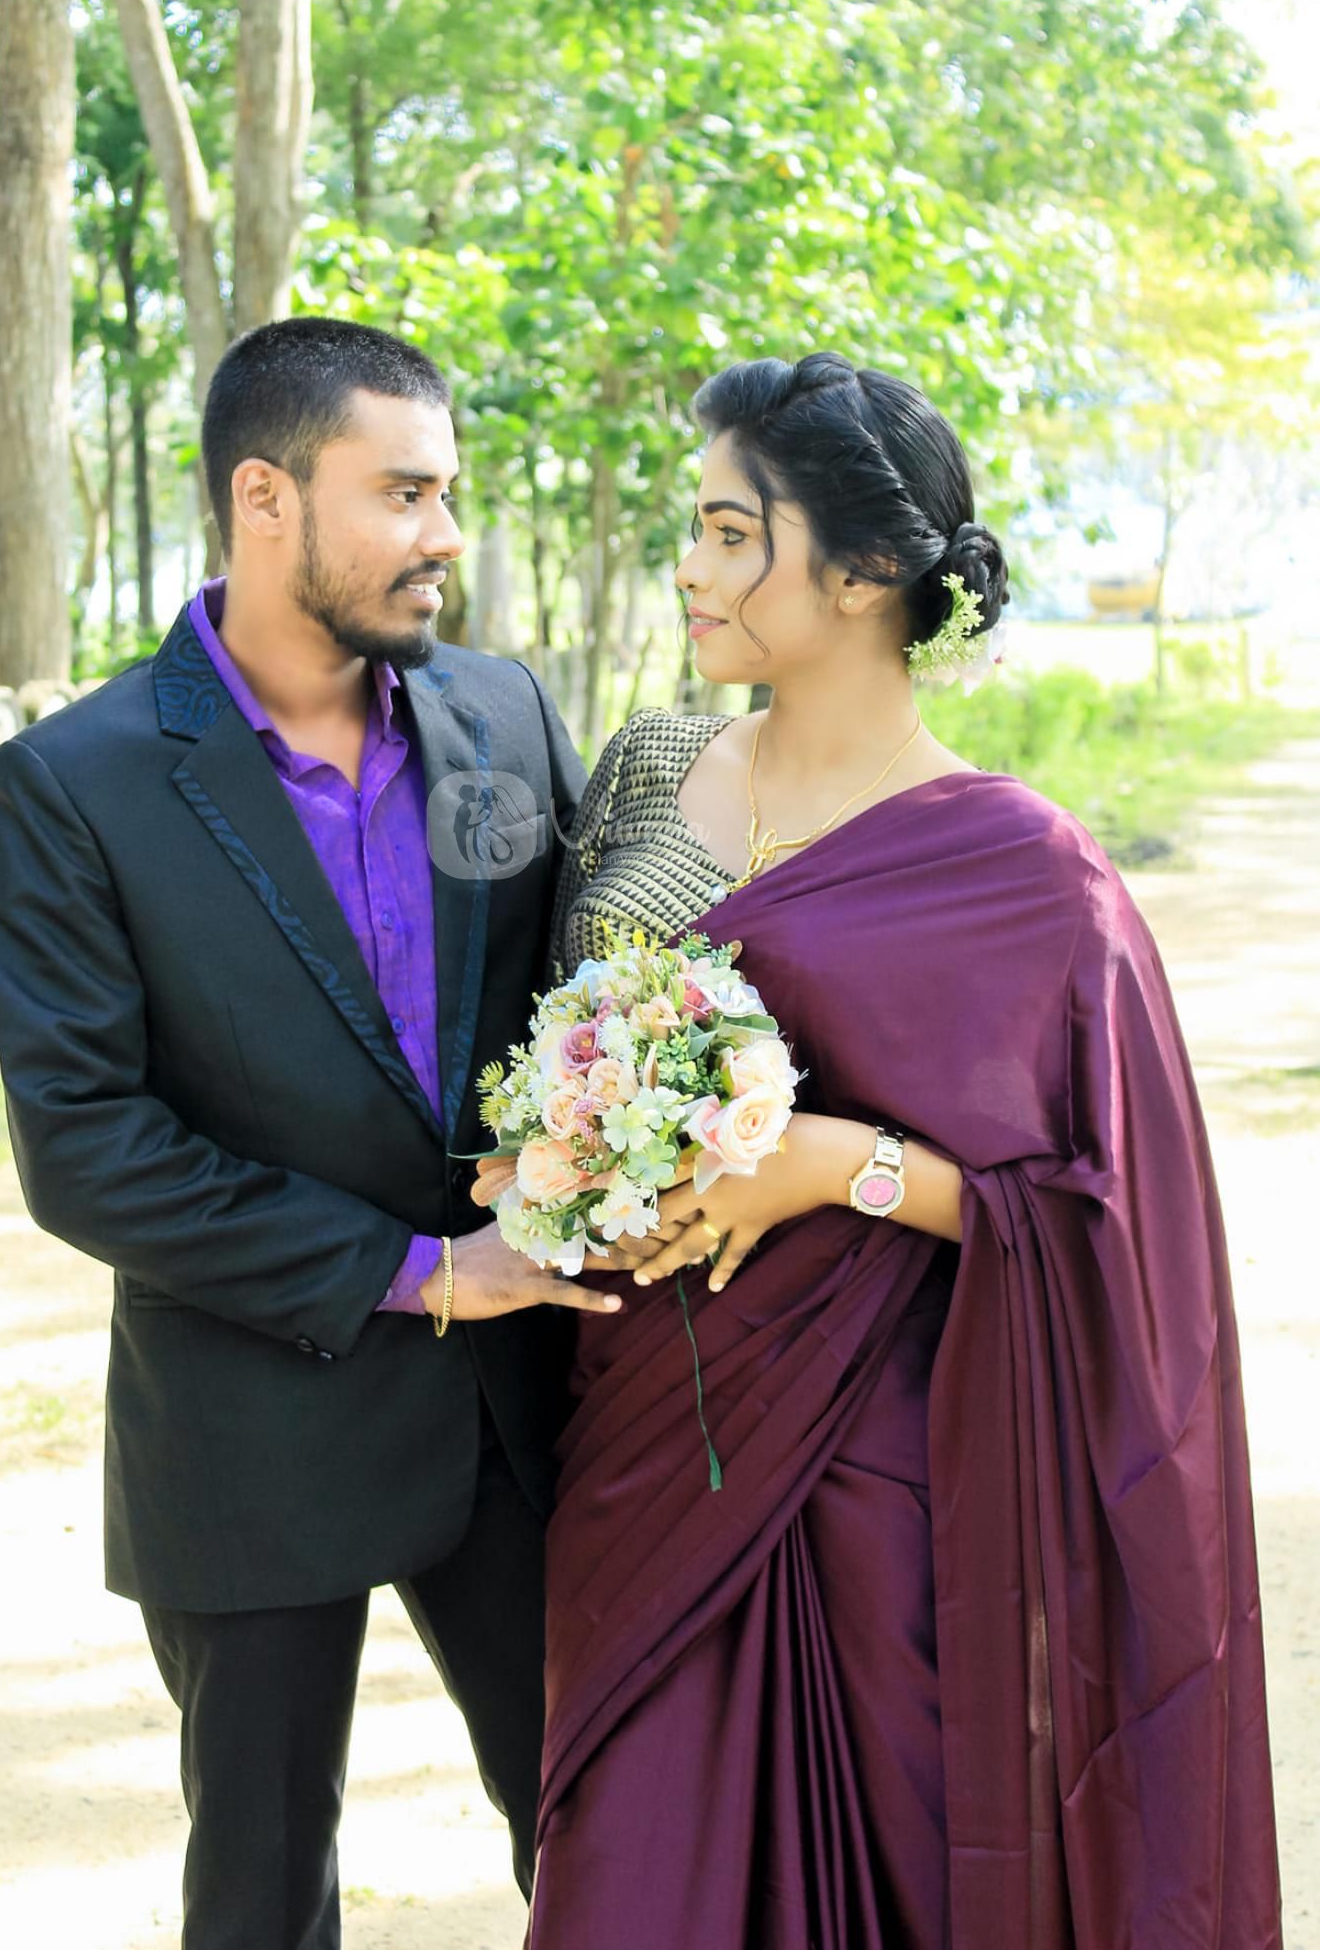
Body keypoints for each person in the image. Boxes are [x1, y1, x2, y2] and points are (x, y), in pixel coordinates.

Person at [490, 351, 1281, 1948]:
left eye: (731, 534)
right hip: (639, 1452)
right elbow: (542, 1048)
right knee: (634, 1880)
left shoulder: (1027, 874)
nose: (690, 567)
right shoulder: (651, 773)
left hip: (874, 1488)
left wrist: (831, 1162)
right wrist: (549, 1165)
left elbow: (1114, 1232)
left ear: (862, 572)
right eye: (694, 530)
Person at [0, 317, 623, 1950]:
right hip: (247, 1419)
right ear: (265, 498)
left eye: (447, 491)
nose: (444, 532)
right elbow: (86, 1145)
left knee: (615, 1844)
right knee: (260, 1897)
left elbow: (586, 998)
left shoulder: (501, 712)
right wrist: (426, 1269)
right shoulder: (74, 783)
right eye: (403, 493)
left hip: (518, 1419)